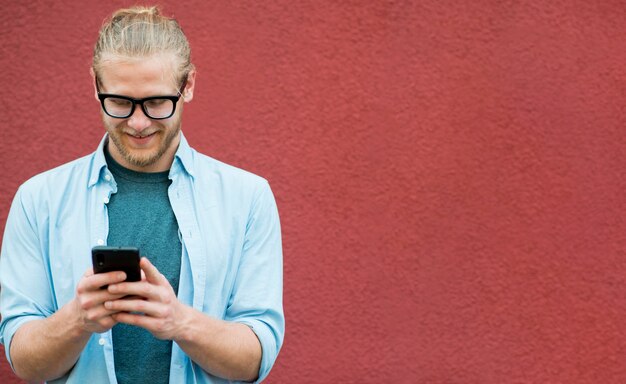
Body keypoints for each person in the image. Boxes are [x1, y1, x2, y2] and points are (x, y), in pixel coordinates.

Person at [0, 6, 284, 384]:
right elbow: (23, 361)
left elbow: (256, 358)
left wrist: (180, 321)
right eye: (119, 102)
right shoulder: (38, 200)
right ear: (96, 85)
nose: (137, 122)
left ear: (189, 86)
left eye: (155, 102)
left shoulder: (249, 199)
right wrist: (78, 319)